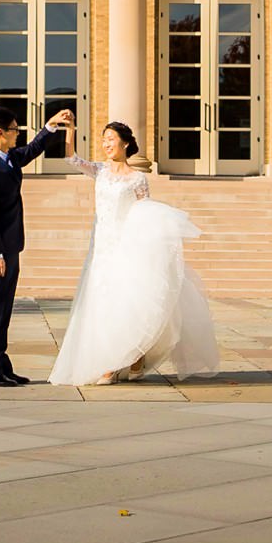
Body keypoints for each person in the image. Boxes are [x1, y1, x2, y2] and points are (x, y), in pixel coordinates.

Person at [49, 121, 220, 386]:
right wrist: (69, 129)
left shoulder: (138, 178)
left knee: (127, 303)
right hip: (101, 249)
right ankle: (116, 360)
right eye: (103, 139)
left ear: (125, 143)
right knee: (101, 303)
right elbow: (71, 158)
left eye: (111, 139)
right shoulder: (100, 170)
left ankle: (124, 360)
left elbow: (146, 211)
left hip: (126, 246)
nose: (106, 144)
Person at [0, 105, 76, 388]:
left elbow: (32, 149)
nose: (18, 134)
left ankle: (2, 366)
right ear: (0, 133)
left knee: (3, 310)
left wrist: (51, 125)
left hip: (11, 247)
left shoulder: (8, 159)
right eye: (15, 130)